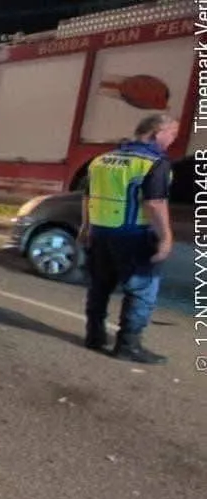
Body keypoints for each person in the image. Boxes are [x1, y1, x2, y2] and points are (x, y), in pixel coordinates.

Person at [80, 113, 179, 365]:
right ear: (157, 132)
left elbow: (87, 196)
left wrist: (86, 227)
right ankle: (128, 345)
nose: (173, 140)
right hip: (134, 235)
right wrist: (166, 237)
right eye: (172, 134)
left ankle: (94, 336)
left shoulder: (101, 160)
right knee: (142, 291)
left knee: (100, 286)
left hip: (101, 233)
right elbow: (155, 203)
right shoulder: (154, 162)